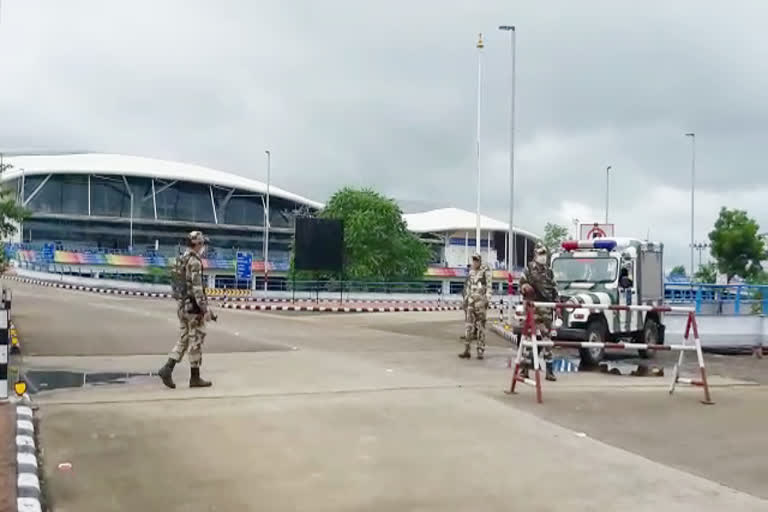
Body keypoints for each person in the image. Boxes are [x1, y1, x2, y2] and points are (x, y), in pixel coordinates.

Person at [158, 231, 217, 389]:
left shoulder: (181, 259)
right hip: (193, 309)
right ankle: (195, 377)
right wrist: (205, 311)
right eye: (203, 244)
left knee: (184, 339)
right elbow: (198, 290)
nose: (204, 247)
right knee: (196, 340)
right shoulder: (195, 262)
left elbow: (176, 285)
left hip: (182, 306)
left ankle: (167, 368)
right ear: (197, 244)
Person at [519, 244, 558, 381]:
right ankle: (525, 369)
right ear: (535, 255)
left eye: (544, 254)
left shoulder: (549, 271)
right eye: (541, 254)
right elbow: (521, 284)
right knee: (530, 340)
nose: (543, 256)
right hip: (533, 309)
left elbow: (554, 289)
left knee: (547, 340)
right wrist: (526, 287)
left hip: (546, 309)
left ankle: (550, 371)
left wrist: (557, 305)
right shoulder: (528, 269)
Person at [459, 253, 492, 360]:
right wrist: (465, 300)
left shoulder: (485, 271)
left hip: (480, 303)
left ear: (480, 261)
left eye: (476, 260)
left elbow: (489, 286)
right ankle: (467, 350)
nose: (474, 262)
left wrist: (487, 299)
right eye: (473, 260)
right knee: (468, 327)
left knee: (481, 328)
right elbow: (468, 287)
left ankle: (480, 351)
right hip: (471, 302)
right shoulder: (471, 272)